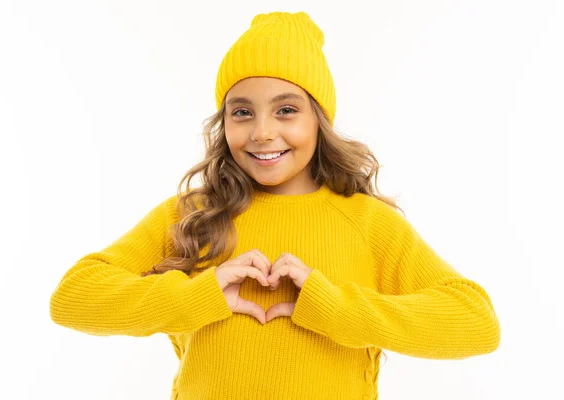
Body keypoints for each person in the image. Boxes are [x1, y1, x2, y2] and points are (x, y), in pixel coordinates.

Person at [49, 11, 501, 400]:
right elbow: (73, 298)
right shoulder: (191, 215)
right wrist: (199, 296)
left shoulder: (367, 223)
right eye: (242, 112)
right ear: (223, 123)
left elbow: (476, 322)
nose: (262, 131)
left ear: (318, 121)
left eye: (286, 110)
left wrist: (335, 309)